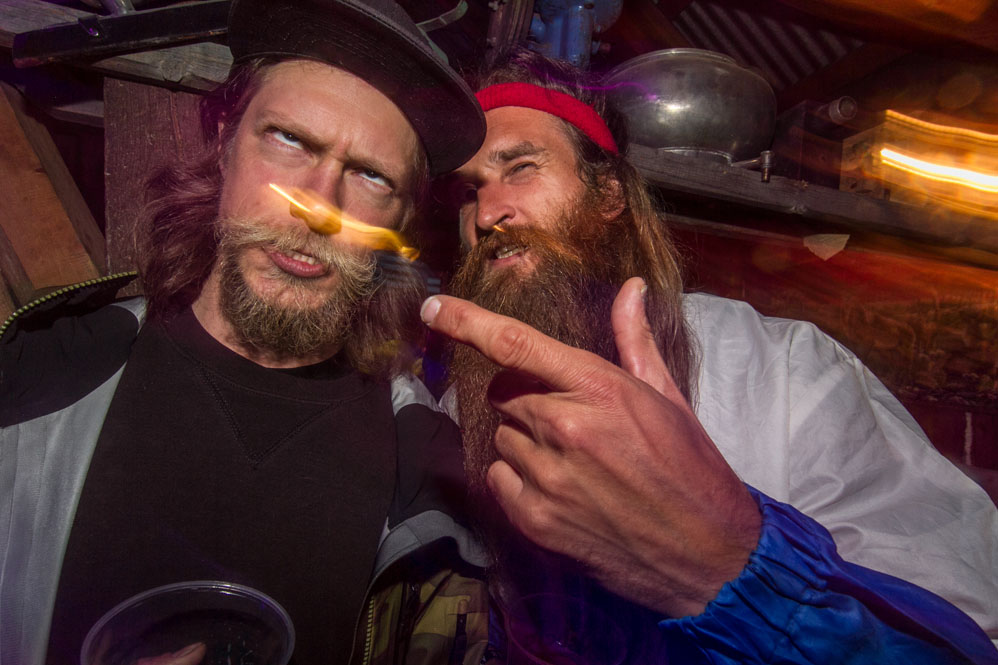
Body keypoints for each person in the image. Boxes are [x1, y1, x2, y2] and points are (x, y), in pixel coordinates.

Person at [422, 48, 998, 662]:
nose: (488, 214)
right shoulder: (458, 402)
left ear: (608, 194)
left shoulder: (780, 370)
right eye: (469, 192)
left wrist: (723, 567)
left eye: (521, 168)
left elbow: (964, 637)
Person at [0, 1, 494, 663]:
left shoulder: (430, 471)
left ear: (401, 223)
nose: (319, 206)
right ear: (225, 143)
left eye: (371, 175)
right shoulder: (40, 379)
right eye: (289, 139)